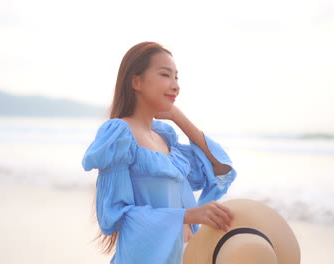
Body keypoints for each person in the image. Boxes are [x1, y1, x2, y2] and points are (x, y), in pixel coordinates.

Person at [82, 41, 237, 264]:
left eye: (177, 77)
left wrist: (179, 118)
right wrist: (187, 215)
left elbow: (219, 168)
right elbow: (114, 217)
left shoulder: (165, 137)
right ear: (137, 81)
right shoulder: (119, 136)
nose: (175, 85)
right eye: (165, 75)